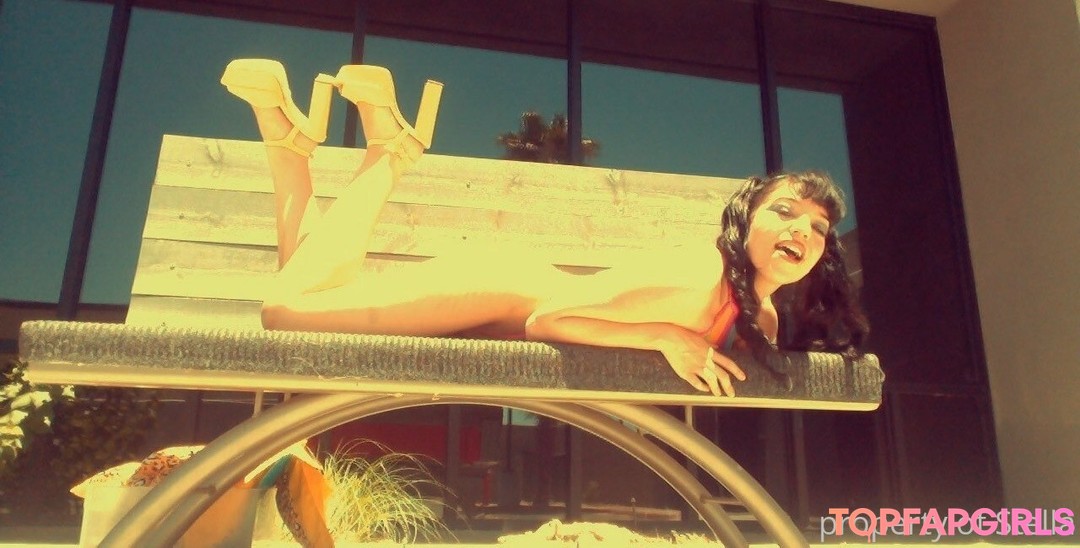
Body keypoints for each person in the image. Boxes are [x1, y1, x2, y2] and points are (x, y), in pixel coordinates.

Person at [220, 59, 868, 398]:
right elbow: (549, 319)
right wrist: (666, 335)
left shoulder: (764, 316)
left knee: (309, 306)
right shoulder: (700, 276)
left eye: (818, 227)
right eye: (785, 211)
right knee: (286, 313)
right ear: (746, 221)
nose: (802, 231)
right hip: (499, 291)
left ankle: (289, 149)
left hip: (498, 312)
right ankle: (390, 151)